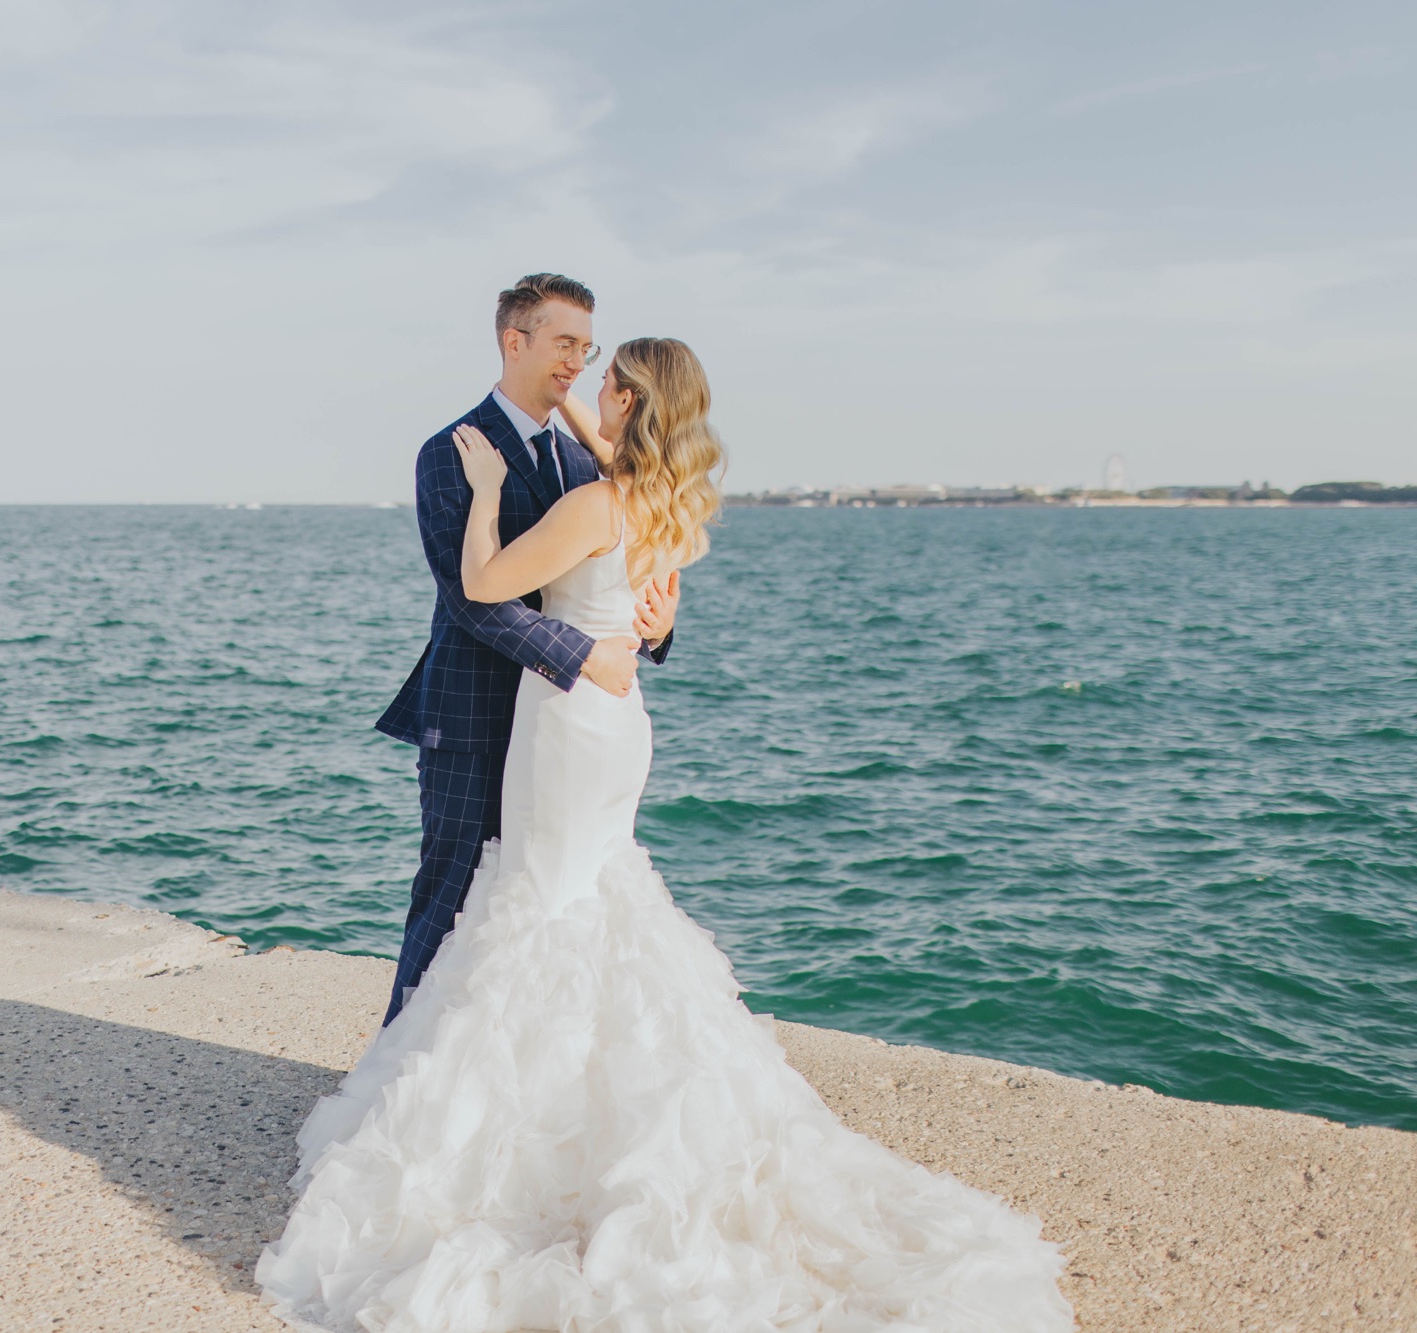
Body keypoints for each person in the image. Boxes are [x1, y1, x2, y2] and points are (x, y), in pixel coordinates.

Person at [257, 333, 1076, 1331]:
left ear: (631, 398)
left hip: (563, 729)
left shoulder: (593, 504)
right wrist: (566, 418)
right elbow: (642, 582)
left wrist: (479, 488)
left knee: (544, 903)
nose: (588, 385)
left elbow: (481, 585)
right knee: (589, 896)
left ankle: (528, 1125)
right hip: (619, 727)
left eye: (603, 379)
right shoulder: (670, 508)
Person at [371, 273, 679, 1025]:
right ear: (516, 340)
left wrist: (657, 627)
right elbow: (470, 600)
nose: (577, 362)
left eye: (587, 346)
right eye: (564, 343)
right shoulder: (452, 451)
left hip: (566, 735)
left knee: (552, 906)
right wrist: (580, 656)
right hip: (476, 715)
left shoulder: (586, 462)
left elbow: (619, 576)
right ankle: (394, 1077)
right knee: (453, 899)